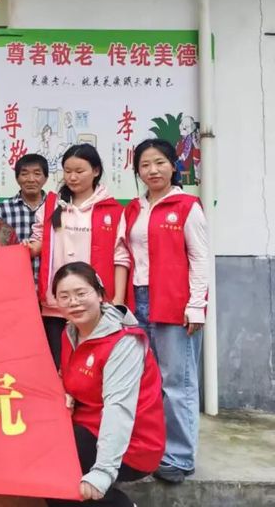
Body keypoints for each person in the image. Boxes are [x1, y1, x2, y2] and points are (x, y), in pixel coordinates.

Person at [113, 139, 208, 484]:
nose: (152, 170)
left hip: (174, 303)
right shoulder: (132, 210)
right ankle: (148, 449)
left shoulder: (187, 206)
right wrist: (119, 303)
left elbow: (200, 258)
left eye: (160, 163)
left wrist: (196, 306)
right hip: (137, 301)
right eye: (145, 165)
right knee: (144, 380)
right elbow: (122, 255)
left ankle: (179, 457)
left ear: (173, 166)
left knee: (177, 382)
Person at [47, 262, 164, 507]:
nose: (73, 302)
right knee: (45, 453)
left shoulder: (124, 342)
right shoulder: (70, 333)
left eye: (81, 293)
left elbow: (118, 409)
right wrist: (64, 393)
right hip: (88, 426)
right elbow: (68, 379)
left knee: (56, 467)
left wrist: (102, 472)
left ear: (100, 294)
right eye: (64, 296)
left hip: (132, 442)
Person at [28, 144, 122, 367]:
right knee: (58, 363)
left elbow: (121, 256)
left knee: (91, 362)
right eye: (68, 171)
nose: (72, 177)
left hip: (92, 300)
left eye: (79, 171)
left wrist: (117, 298)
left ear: (96, 171)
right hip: (56, 301)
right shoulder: (52, 205)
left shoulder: (112, 209)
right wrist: (26, 248)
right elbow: (39, 241)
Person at [0, 153, 49, 284]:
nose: (31, 179)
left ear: (46, 178)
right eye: (24, 174)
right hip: (13, 281)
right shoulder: (2, 208)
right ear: (17, 178)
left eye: (37, 174)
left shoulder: (57, 207)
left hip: (50, 283)